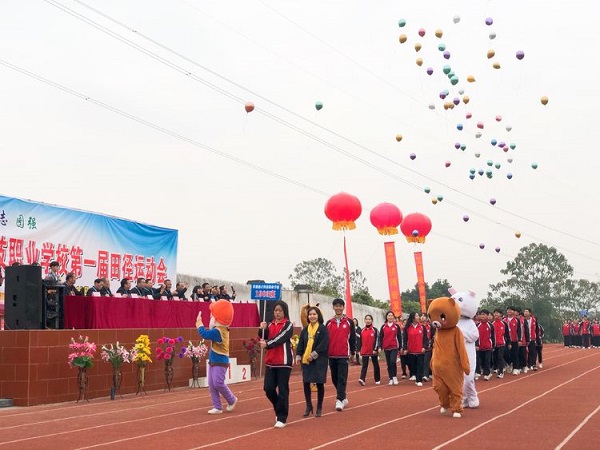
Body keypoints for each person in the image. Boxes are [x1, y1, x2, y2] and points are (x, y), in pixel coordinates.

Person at [196, 300, 237, 415]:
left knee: (218, 382)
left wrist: (199, 324)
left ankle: (232, 399)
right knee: (212, 383)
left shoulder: (218, 331)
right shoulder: (220, 329)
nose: (210, 317)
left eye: (212, 315)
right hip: (214, 360)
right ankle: (217, 406)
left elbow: (205, 334)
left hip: (220, 361)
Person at [258, 300, 294, 428]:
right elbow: (263, 336)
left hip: (283, 361)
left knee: (283, 389)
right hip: (271, 362)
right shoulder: (270, 324)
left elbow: (281, 338)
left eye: (280, 311)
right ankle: (279, 407)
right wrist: (261, 329)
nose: (277, 313)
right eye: (275, 311)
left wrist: (267, 344)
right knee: (268, 389)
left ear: (284, 312)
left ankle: (282, 417)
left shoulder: (288, 325)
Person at [295, 306, 329, 418]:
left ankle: (319, 406)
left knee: (319, 383)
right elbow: (301, 344)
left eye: (314, 314)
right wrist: (299, 356)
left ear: (318, 315)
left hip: (319, 360)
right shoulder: (305, 330)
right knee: (306, 382)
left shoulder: (323, 329)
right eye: (310, 314)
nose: (312, 316)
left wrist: (313, 355)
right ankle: (308, 405)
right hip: (306, 360)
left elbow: (324, 345)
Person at [326, 298, 356, 412]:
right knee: (334, 378)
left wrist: (353, 352)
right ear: (333, 307)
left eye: (340, 306)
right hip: (331, 354)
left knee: (342, 378)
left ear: (343, 307)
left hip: (344, 354)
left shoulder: (349, 322)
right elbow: (325, 339)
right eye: (336, 306)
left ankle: (339, 399)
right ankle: (343, 396)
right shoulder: (329, 323)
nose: (338, 308)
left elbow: (352, 338)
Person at [402, 312, 428, 387]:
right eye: (417, 316)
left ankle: (419, 380)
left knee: (420, 365)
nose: (418, 317)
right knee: (412, 366)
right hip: (411, 351)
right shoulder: (407, 328)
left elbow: (425, 339)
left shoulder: (422, 327)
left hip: (420, 351)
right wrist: (405, 348)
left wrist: (424, 347)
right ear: (413, 318)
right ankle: (415, 376)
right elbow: (405, 339)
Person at [379, 310, 402, 385]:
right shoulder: (383, 326)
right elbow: (380, 337)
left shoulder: (396, 326)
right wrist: (380, 346)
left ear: (394, 317)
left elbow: (399, 337)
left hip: (394, 347)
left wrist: (400, 347)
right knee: (389, 363)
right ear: (386, 317)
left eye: (392, 315)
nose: (390, 317)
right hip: (386, 347)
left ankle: (394, 377)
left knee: (393, 361)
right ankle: (391, 378)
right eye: (389, 315)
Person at [358, 314, 380, 386]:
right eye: (366, 319)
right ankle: (362, 379)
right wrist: (359, 350)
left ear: (372, 320)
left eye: (369, 319)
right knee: (364, 365)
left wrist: (375, 349)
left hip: (373, 351)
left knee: (375, 364)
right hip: (365, 351)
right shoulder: (362, 330)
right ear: (364, 320)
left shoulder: (375, 330)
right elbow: (360, 341)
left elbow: (377, 340)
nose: (368, 321)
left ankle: (377, 379)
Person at [476, 309, 495, 381]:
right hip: (479, 347)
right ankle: (479, 372)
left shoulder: (490, 325)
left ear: (487, 315)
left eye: (484, 314)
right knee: (480, 361)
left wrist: (493, 346)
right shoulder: (477, 325)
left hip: (488, 346)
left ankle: (487, 374)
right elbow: (475, 336)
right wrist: (476, 344)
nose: (482, 316)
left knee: (487, 360)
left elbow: (493, 336)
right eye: (481, 314)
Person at [492, 308, 507, 378]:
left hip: (501, 343)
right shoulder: (492, 324)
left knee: (500, 357)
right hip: (494, 344)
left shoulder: (504, 324)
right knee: (495, 357)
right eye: (495, 313)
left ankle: (501, 372)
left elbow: (507, 334)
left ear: (500, 315)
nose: (496, 314)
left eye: (497, 313)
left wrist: (509, 342)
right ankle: (497, 368)